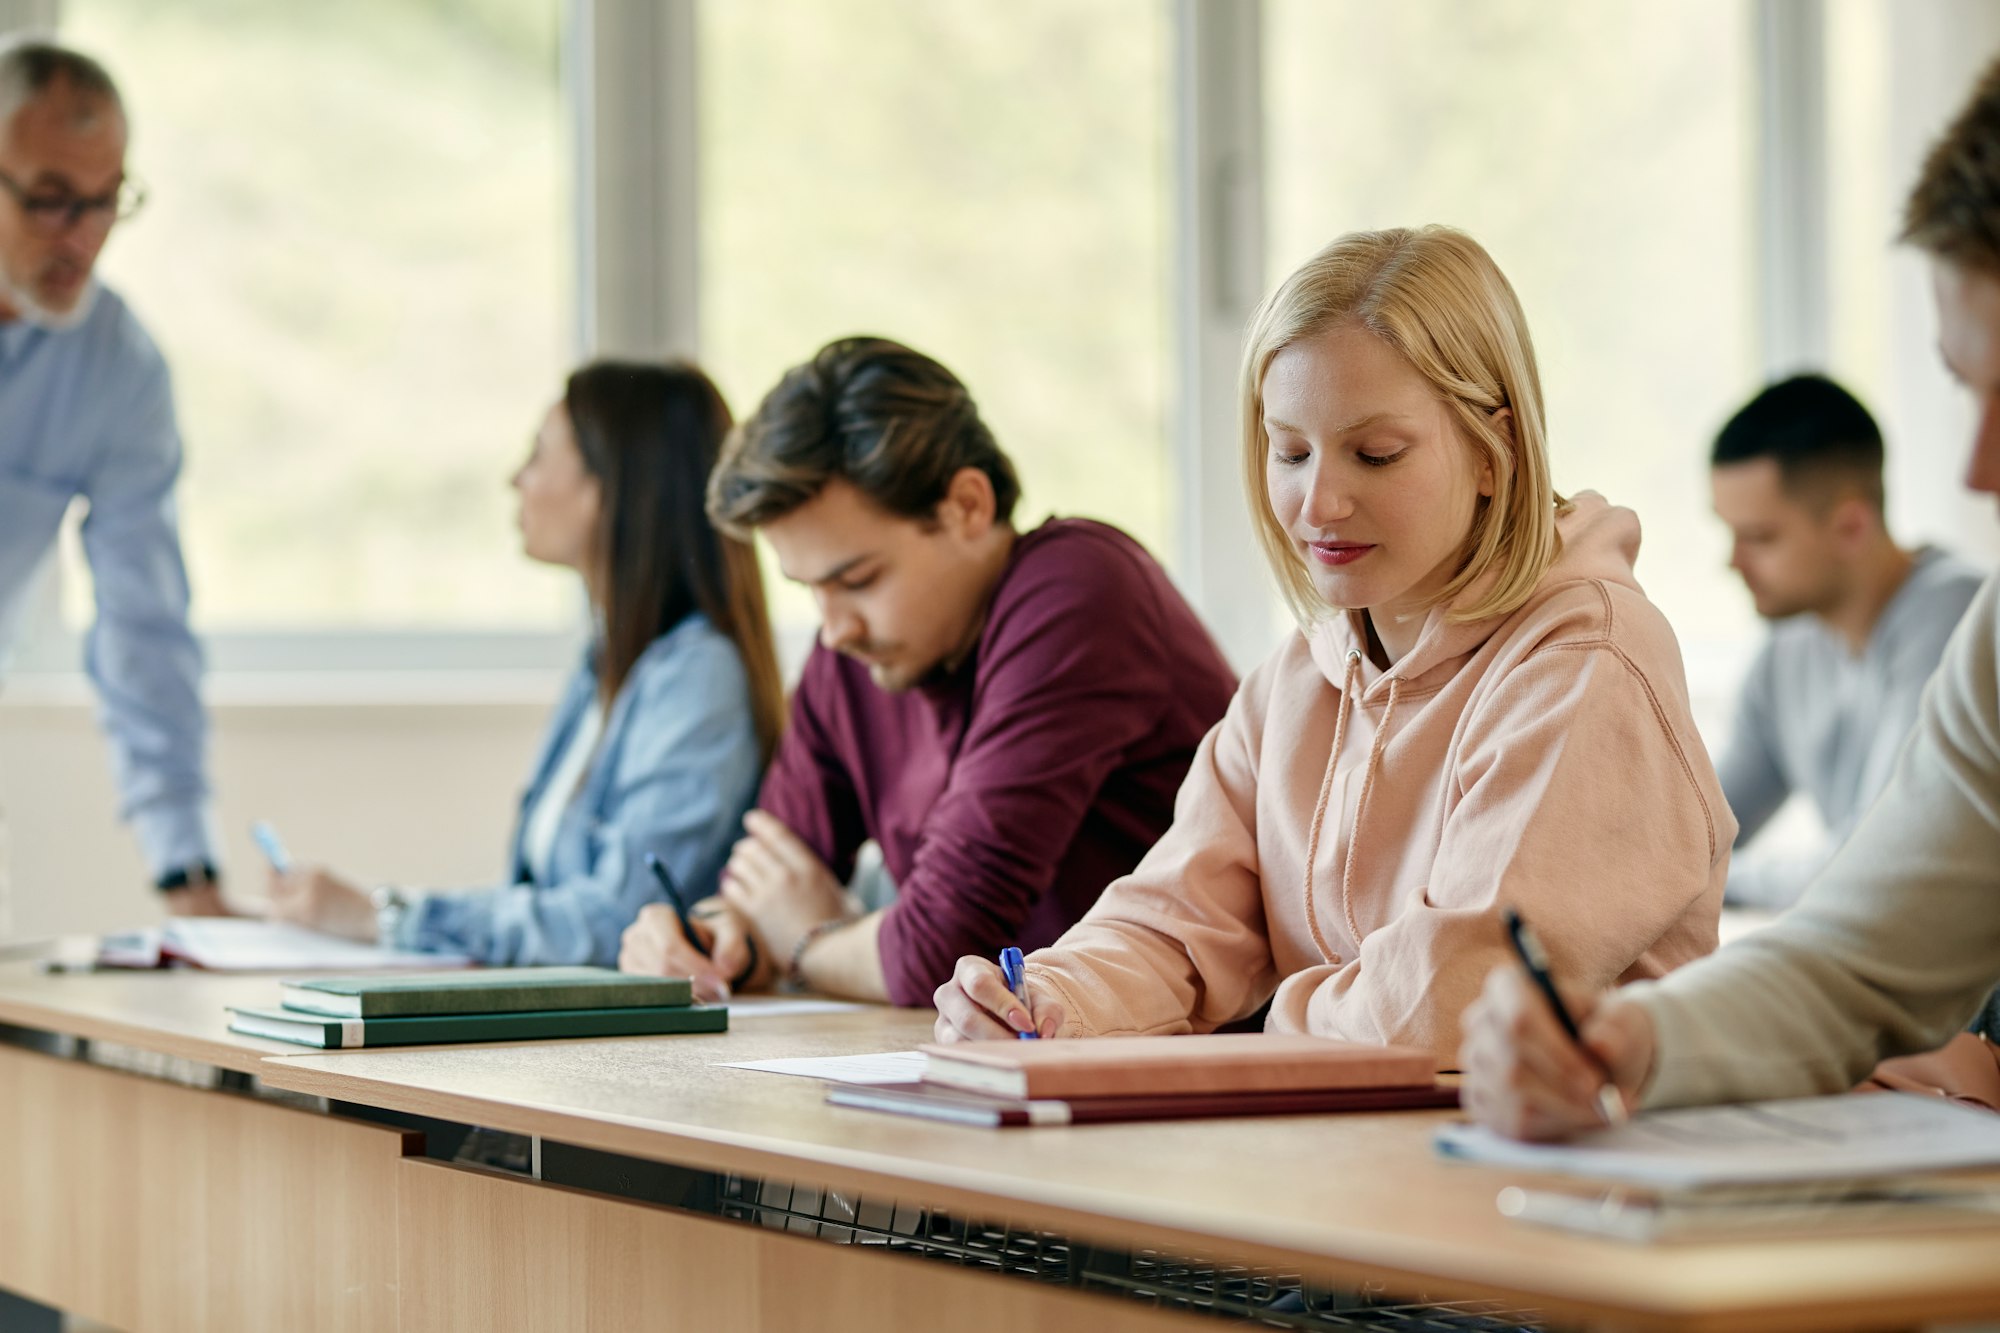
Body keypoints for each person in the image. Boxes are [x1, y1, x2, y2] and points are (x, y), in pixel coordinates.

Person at [932, 226, 1730, 1064]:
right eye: (1291, 451)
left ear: (1494, 451)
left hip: (1572, 1169)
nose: (1319, 504)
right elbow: (1178, 922)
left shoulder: (1586, 661)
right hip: (1367, 1156)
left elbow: (1457, 999)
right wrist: (1047, 999)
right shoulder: (1298, 680)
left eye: (1375, 455)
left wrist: (1272, 1021)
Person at [1458, 57, 2000, 1139]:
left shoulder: (1937, 618)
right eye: (1966, 385)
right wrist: (1635, 1039)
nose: (1979, 467)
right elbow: (1858, 954)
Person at [617, 335, 1237, 1004]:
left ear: (967, 505)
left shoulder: (1079, 591)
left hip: (1180, 1067)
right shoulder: (857, 653)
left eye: (858, 578)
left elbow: (935, 953)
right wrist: (709, 937)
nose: (834, 627)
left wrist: (807, 943)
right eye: (811, 589)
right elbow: (770, 885)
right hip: (1009, 1056)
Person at [268, 361, 782, 966]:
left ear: (609, 487)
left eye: (539, 456)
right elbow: (542, 900)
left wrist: (387, 916)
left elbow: (617, 920)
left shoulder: (698, 680)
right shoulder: (604, 664)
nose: (517, 479)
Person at [0, 39, 224, 913]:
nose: (83, 238)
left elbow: (144, 621)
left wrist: (185, 864)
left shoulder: (118, 369)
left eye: (105, 202)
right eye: (52, 202)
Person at [1709, 375, 1981, 909]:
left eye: (1760, 537)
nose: (1732, 562)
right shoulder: (1787, 653)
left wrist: (1714, 884)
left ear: (1852, 527)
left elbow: (1873, 863)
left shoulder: (1957, 619)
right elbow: (1697, 831)